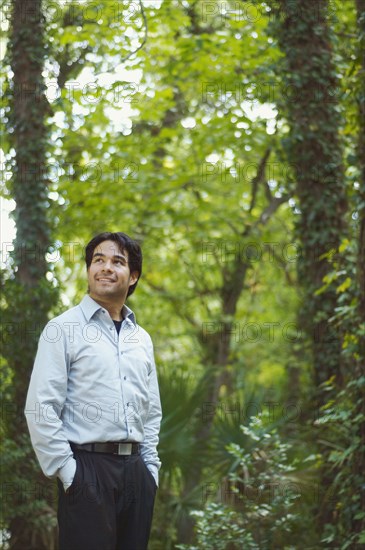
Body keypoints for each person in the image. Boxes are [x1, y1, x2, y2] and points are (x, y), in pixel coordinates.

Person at [25, 231, 162, 550]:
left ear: (133, 276)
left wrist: (150, 470)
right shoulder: (62, 329)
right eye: (98, 260)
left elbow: (151, 411)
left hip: (137, 473)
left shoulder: (141, 338)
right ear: (88, 270)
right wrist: (69, 472)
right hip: (87, 471)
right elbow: (41, 408)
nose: (105, 267)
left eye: (118, 261)